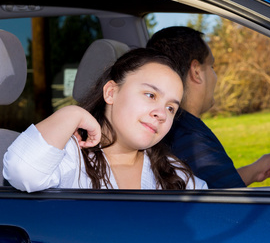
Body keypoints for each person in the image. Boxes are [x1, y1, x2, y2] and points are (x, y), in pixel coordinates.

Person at [3, 48, 208, 192]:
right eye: (150, 95)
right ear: (110, 93)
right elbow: (22, 173)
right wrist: (72, 113)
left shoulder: (172, 173)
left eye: (171, 108)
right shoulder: (70, 155)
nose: (161, 114)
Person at [147, 26, 270, 188]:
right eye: (212, 66)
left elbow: (211, 187)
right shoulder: (191, 140)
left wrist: (254, 171)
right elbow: (231, 207)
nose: (215, 76)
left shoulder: (173, 127)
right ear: (196, 72)